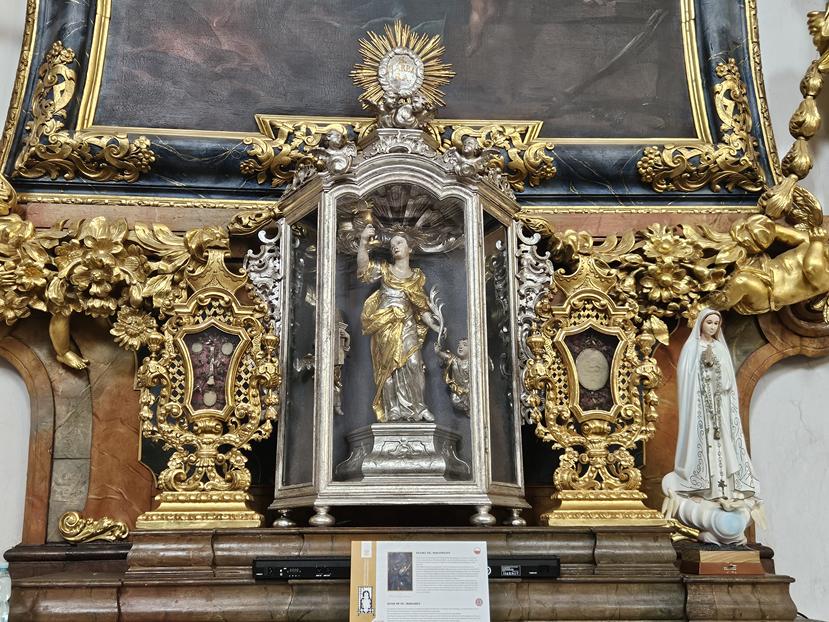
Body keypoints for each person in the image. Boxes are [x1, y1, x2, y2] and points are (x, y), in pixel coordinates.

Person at [662, 309, 763, 544]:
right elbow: (686, 381)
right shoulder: (692, 348)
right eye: (709, 322)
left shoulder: (719, 348)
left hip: (719, 410)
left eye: (716, 323)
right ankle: (704, 490)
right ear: (701, 323)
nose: (712, 327)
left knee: (723, 448)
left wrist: (716, 371)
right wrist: (703, 370)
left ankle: (724, 491)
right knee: (703, 448)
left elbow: (728, 382)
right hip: (701, 411)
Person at [357, 224, 441, 422]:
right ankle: (392, 408)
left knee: (414, 363)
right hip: (385, 325)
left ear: (409, 248)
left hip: (408, 324)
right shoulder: (385, 270)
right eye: (392, 244)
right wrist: (363, 242)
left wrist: (436, 327)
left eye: (400, 242)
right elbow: (363, 271)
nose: (395, 246)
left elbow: (422, 308)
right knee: (388, 367)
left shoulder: (416, 277)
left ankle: (419, 407)